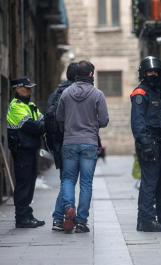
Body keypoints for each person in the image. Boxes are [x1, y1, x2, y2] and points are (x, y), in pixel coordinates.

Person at [56, 60, 109, 233]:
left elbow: (59, 117)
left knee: (68, 179)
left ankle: (68, 206)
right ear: (91, 74)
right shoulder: (97, 94)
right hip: (89, 143)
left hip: (69, 142)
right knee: (86, 183)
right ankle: (81, 222)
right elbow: (103, 121)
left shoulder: (65, 93)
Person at [130, 56, 161, 232]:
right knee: (150, 183)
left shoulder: (158, 94)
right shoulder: (140, 93)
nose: (152, 74)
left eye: (155, 72)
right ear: (143, 73)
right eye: (149, 72)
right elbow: (137, 121)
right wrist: (144, 142)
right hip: (150, 143)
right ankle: (146, 220)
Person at [7, 76, 45, 228]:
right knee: (23, 183)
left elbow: (43, 121)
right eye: (26, 88)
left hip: (30, 149)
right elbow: (36, 127)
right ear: (17, 89)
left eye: (30, 88)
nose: (29, 90)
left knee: (30, 182)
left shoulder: (30, 105)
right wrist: (41, 125)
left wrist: (42, 124)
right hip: (22, 150)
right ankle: (21, 218)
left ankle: (27, 214)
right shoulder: (16, 106)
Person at [44, 62, 77, 231]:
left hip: (57, 143)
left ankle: (58, 219)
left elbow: (48, 120)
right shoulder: (74, 93)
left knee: (66, 181)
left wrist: (51, 146)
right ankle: (61, 215)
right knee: (68, 181)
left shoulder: (56, 92)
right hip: (70, 142)